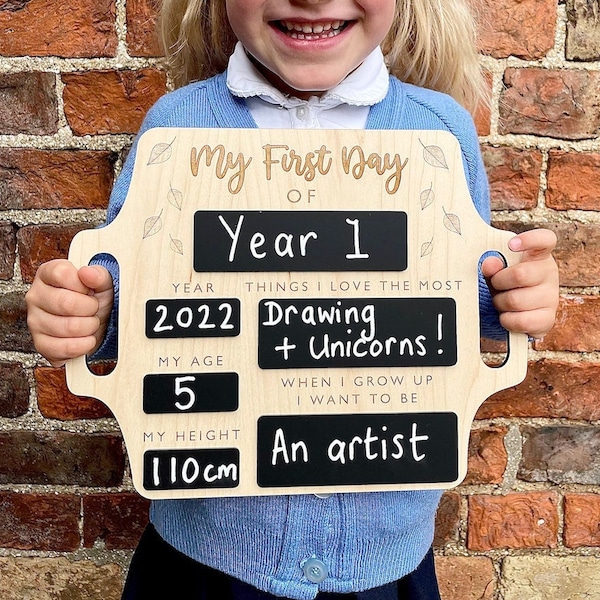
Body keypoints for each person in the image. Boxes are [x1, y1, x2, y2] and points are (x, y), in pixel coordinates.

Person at [26, 0, 559, 598]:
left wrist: (511, 301)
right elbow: (138, 295)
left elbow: (459, 299)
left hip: (383, 558)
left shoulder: (440, 131)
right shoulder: (178, 126)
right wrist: (92, 314)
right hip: (208, 560)